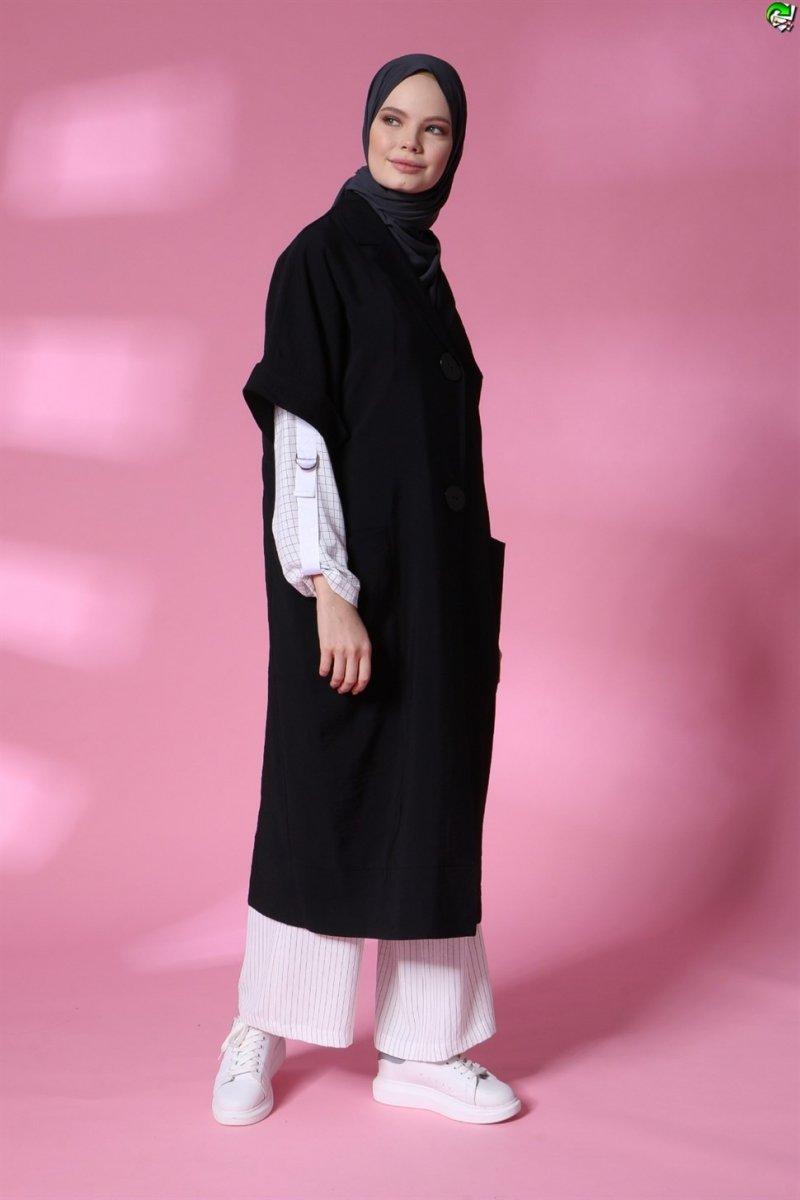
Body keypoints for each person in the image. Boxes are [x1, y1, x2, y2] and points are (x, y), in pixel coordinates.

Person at [213, 53, 517, 1126]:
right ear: (365, 127)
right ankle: (260, 1026)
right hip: (353, 586)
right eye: (393, 119)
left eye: (434, 129)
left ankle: (423, 1051)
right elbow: (300, 428)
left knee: (430, 804)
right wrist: (326, 587)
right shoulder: (322, 257)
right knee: (322, 797)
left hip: (438, 595)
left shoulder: (421, 269)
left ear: (455, 149)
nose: (410, 143)